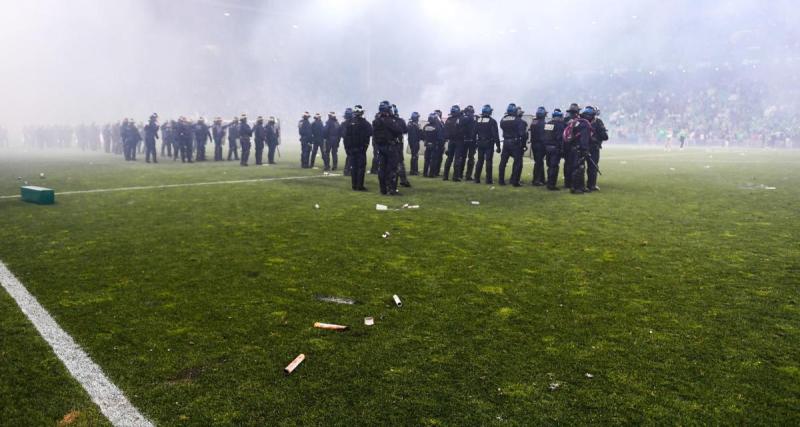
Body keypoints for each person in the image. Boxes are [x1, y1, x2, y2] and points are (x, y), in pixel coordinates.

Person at [372, 101, 404, 195]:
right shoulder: (389, 121)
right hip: (390, 147)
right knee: (392, 169)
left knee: (382, 169)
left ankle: (383, 189)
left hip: (380, 147)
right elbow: (399, 130)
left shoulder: (376, 121)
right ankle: (392, 189)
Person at [564, 106, 593, 193]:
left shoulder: (575, 122)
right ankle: (575, 188)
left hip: (573, 148)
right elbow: (584, 138)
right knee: (578, 168)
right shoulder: (584, 123)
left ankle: (581, 186)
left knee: (579, 167)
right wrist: (585, 149)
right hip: (579, 149)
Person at [343, 105, 372, 191]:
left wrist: (347, 149)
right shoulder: (364, 123)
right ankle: (360, 185)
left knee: (353, 167)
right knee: (361, 167)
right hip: (361, 149)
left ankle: (354, 185)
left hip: (351, 149)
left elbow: (345, 136)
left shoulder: (348, 122)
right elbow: (371, 132)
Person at [498, 104, 527, 186]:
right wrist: (524, 145)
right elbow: (523, 134)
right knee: (518, 162)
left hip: (506, 142)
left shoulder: (503, 119)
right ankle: (515, 181)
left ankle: (501, 181)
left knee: (503, 162)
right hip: (515, 142)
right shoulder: (519, 121)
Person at [474, 104, 500, 184]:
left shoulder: (478, 120)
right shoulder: (492, 121)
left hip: (480, 142)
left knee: (480, 161)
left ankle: (476, 178)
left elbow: (474, 133)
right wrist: (498, 146)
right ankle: (488, 180)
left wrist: (475, 143)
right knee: (488, 161)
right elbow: (495, 134)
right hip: (488, 143)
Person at [586, 106, 608, 192]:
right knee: (592, 167)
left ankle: (576, 184)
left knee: (578, 166)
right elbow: (605, 136)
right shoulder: (598, 122)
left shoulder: (580, 121)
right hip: (593, 148)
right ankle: (591, 185)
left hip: (581, 147)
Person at [544, 108, 567, 190]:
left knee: (550, 166)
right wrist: (562, 149)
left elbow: (545, 136)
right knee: (554, 167)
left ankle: (549, 183)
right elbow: (560, 138)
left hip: (547, 147)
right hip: (555, 148)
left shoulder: (548, 124)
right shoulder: (560, 125)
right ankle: (551, 185)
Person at [442, 105, 463, 181]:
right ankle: (455, 177)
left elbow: (445, 131)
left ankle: (445, 176)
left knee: (449, 159)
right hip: (459, 141)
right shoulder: (460, 119)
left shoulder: (448, 119)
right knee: (457, 159)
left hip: (450, 141)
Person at [563, 103, 581, 188]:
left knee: (567, 165)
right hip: (574, 146)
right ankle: (573, 183)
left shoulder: (565, 120)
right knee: (574, 165)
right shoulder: (579, 121)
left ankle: (567, 183)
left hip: (566, 146)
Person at [529, 106, 548, 186]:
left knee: (539, 162)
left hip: (534, 144)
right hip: (540, 144)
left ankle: (542, 179)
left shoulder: (533, 122)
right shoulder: (543, 123)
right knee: (538, 162)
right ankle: (536, 180)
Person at [460, 105, 478, 181]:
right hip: (472, 140)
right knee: (471, 158)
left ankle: (459, 174)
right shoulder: (475, 118)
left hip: (463, 140)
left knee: (462, 158)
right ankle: (468, 175)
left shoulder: (462, 118)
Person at [421, 113, 440, 178]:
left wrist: (426, 141)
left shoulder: (425, 126)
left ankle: (425, 173)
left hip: (427, 145)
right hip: (434, 144)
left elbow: (422, 135)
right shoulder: (437, 126)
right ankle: (431, 174)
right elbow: (439, 136)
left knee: (427, 160)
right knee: (433, 160)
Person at [342, 108, 354, 176]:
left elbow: (342, 133)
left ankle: (347, 169)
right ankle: (347, 170)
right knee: (351, 156)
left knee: (349, 156)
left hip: (346, 142)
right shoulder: (352, 124)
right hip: (350, 142)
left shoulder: (344, 123)